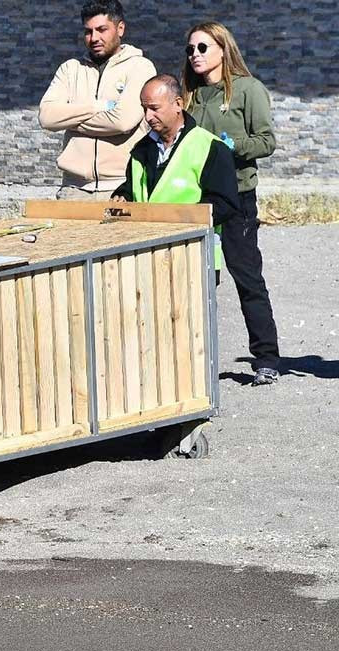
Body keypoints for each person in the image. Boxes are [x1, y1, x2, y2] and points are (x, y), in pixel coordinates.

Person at [183, 21, 281, 386]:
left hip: (237, 199)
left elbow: (266, 141)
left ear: (223, 49)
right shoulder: (189, 96)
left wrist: (231, 147)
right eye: (190, 49)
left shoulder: (248, 90)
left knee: (247, 278)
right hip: (198, 200)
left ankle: (267, 359)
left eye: (203, 48)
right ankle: (194, 364)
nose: (195, 54)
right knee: (199, 281)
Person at [39, 0, 156, 200]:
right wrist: (98, 107)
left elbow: (122, 121)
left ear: (120, 28)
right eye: (88, 31)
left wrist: (70, 120)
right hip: (73, 189)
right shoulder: (70, 69)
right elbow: (47, 118)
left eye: (102, 29)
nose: (94, 38)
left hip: (121, 188)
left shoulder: (140, 67)